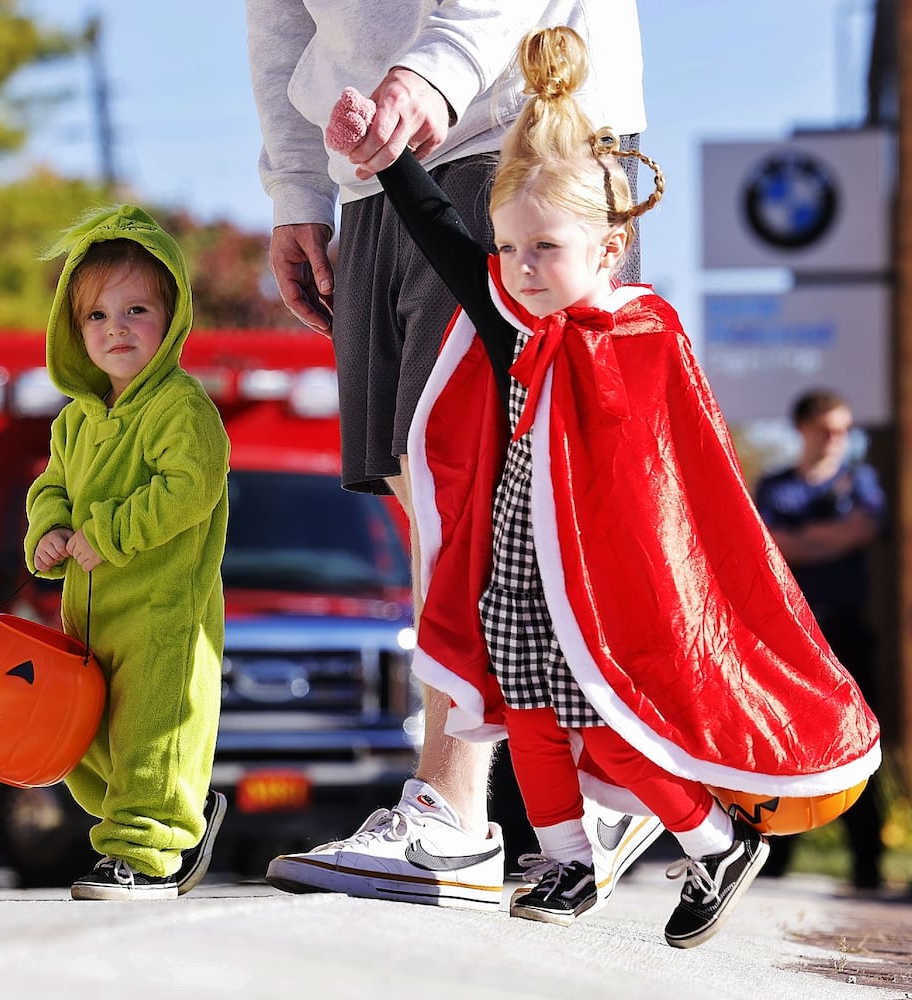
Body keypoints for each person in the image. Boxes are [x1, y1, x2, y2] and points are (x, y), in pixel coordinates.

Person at [301, 26, 881, 948]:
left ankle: (711, 840)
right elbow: (446, 243)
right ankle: (563, 855)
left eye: (545, 247)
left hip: (600, 596)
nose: (521, 269)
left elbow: (673, 493)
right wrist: (386, 158)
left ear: (610, 250)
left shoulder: (639, 339)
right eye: (511, 247)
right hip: (520, 583)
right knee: (525, 720)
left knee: (611, 728)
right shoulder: (510, 327)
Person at [247, 0, 652, 906]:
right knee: (417, 479)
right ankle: (615, 764)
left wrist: (436, 68)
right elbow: (280, 19)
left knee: (465, 481)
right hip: (370, 163)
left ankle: (456, 814)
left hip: (518, 126)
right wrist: (298, 189)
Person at [24, 205, 230, 900]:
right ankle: (174, 821)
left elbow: (189, 488)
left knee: (152, 731)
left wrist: (107, 532)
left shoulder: (181, 407)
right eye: (96, 317)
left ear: (169, 318)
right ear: (73, 331)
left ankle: (145, 851)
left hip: (159, 612)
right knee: (90, 743)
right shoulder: (74, 422)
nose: (115, 329)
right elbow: (50, 488)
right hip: (88, 619)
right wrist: (48, 532)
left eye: (135, 309)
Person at [752, 389, 888, 890]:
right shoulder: (775, 486)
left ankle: (868, 861)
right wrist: (825, 536)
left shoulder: (862, 480)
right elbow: (769, 547)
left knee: (858, 743)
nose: (837, 440)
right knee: (786, 742)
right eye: (827, 429)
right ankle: (778, 857)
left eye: (844, 430)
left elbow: (858, 532)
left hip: (847, 632)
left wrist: (802, 540)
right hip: (792, 638)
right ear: (803, 429)